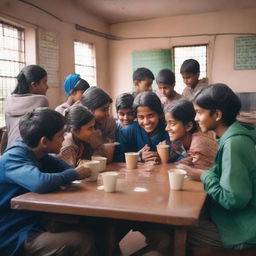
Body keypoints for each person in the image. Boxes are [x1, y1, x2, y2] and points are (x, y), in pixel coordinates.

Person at [0, 108, 96, 256]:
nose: (64, 139)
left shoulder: (38, 152)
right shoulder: (14, 157)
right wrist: (75, 173)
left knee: (92, 225)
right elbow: (41, 182)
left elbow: (63, 167)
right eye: (60, 136)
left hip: (33, 221)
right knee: (82, 240)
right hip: (13, 232)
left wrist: (75, 172)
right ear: (44, 141)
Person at [184, 84, 256, 251]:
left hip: (243, 228)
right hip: (239, 219)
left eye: (199, 112)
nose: (196, 118)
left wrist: (204, 176)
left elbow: (232, 200)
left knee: (179, 231)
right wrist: (203, 174)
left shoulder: (234, 144)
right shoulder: (231, 136)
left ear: (217, 114)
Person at [116, 91, 171, 163]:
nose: (146, 122)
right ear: (136, 117)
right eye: (141, 117)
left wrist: (166, 156)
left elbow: (180, 155)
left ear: (160, 114)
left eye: (150, 115)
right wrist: (138, 157)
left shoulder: (169, 131)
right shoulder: (126, 133)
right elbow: (117, 158)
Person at [4, 65, 49, 146]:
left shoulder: (8, 101)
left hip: (10, 148)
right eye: (44, 82)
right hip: (28, 150)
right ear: (34, 85)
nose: (47, 86)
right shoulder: (41, 100)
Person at [164, 99, 217, 168]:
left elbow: (201, 175)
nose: (166, 128)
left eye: (172, 123)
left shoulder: (199, 143)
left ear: (188, 126)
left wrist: (181, 165)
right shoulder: (178, 142)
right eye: (167, 123)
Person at [78, 87, 117, 159]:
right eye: (104, 110)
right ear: (89, 110)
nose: (107, 114)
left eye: (107, 109)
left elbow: (108, 157)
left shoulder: (109, 121)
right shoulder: (76, 124)